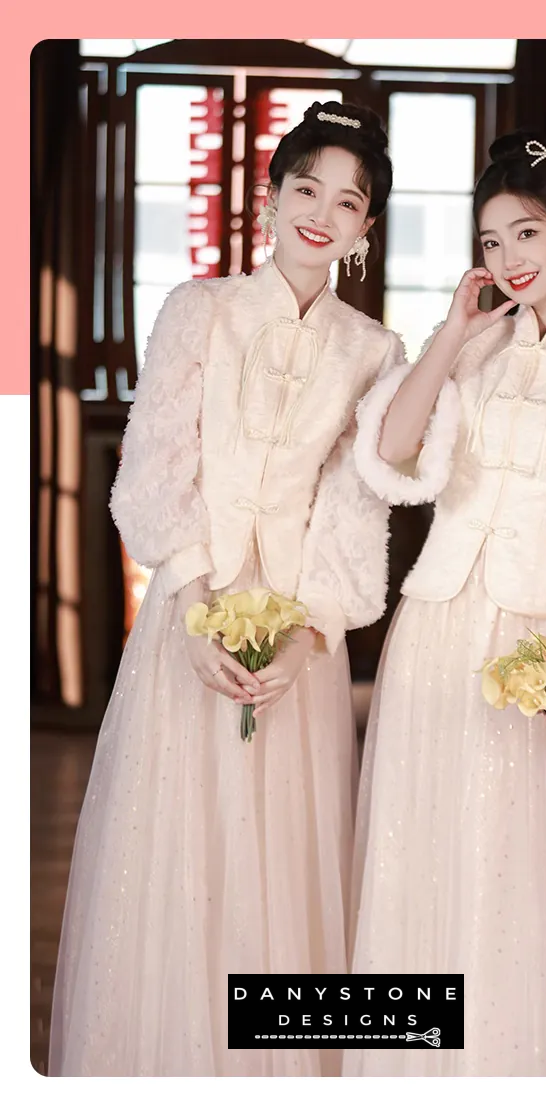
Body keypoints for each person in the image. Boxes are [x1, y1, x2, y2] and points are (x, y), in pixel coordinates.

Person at [49, 101, 417, 1077]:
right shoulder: (197, 312)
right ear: (270, 197)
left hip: (299, 636)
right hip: (190, 614)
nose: (323, 214)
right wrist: (197, 607)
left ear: (365, 228)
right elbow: (157, 468)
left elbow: (354, 512)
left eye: (349, 202)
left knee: (284, 869)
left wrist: (309, 636)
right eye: (307, 188)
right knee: (181, 848)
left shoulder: (375, 353)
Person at [344, 131, 546, 1076]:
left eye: (526, 234)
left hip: (538, 642)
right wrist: (452, 333)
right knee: (421, 861)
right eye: (490, 243)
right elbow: (394, 455)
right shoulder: (476, 354)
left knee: (523, 878)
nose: (508, 260)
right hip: (436, 630)